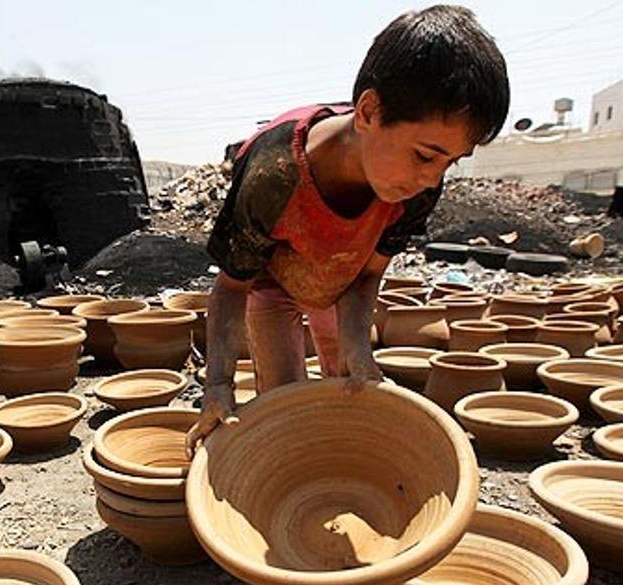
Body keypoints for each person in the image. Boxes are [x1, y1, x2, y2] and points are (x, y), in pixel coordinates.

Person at [186, 5, 510, 454]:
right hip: (273, 280)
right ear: (369, 111)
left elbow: (367, 276)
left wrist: (358, 350)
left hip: (343, 277)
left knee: (352, 384)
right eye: (425, 155)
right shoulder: (274, 174)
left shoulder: (415, 186)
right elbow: (230, 287)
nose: (434, 179)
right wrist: (218, 385)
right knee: (283, 408)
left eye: (450, 162)